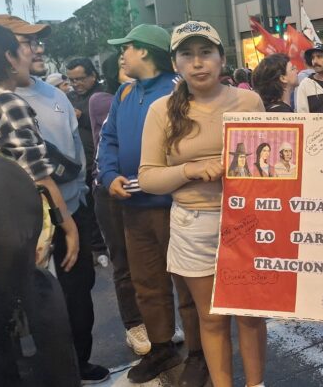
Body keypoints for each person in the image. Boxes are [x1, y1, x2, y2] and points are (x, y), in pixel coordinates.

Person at [138, 20, 266, 387]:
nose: (197, 62)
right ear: (175, 63)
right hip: (194, 225)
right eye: (187, 54)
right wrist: (190, 170)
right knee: (211, 318)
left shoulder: (250, 101)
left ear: (222, 58)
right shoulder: (162, 110)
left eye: (206, 52)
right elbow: (148, 177)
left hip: (249, 220)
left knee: (251, 316)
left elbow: (274, 161)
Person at [0, 14, 109, 384]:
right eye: (27, 42)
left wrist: (80, 202)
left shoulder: (55, 95)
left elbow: (75, 150)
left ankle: (78, 362)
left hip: (72, 208)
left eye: (37, 42)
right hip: (24, 226)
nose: (37, 49)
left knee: (77, 295)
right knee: (29, 305)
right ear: (2, 52)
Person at [99, 23, 207, 384]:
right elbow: (108, 138)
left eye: (126, 48)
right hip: (133, 205)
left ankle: (199, 353)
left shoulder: (179, 89)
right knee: (146, 283)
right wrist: (108, 175)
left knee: (188, 286)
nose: (121, 55)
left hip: (174, 205)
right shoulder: (125, 92)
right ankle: (162, 347)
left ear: (144, 50)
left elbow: (191, 144)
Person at [0, 22, 80, 289]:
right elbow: (38, 176)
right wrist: (69, 227)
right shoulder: (6, 103)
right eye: (23, 48)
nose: (32, 54)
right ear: (9, 58)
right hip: (19, 229)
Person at [88, 52, 149, 355]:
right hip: (111, 190)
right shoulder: (104, 100)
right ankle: (134, 325)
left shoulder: (146, 95)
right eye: (125, 66)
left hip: (144, 187)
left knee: (150, 261)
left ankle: (155, 321)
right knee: (124, 262)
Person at [67, 57, 109, 263]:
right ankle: (96, 248)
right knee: (86, 211)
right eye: (72, 80)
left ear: (93, 75)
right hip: (78, 165)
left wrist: (82, 117)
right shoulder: (67, 98)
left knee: (105, 210)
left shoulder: (104, 94)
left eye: (80, 79)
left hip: (102, 164)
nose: (76, 84)